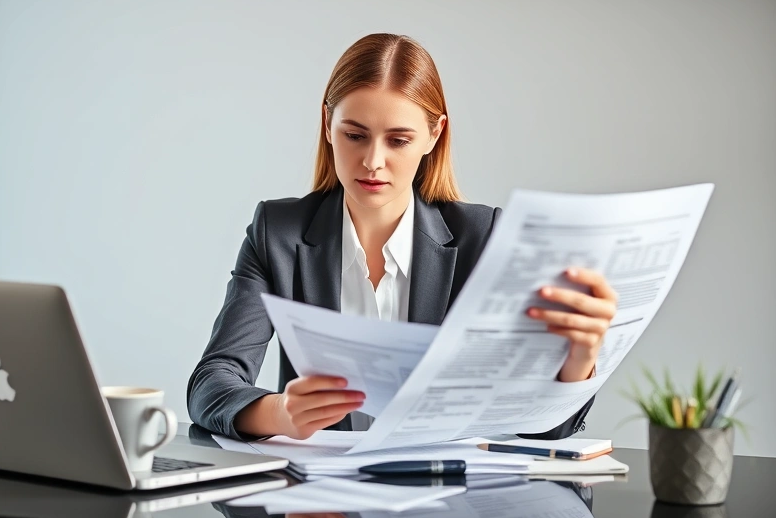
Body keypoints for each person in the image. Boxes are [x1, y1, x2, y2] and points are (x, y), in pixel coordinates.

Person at [187, 33, 617, 441]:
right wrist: (280, 414)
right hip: (319, 504)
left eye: (398, 140)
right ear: (327, 123)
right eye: (354, 135)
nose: (373, 161)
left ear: (434, 134)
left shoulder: (483, 238)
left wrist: (580, 358)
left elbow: (546, 431)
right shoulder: (277, 232)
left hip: (446, 504)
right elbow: (212, 383)